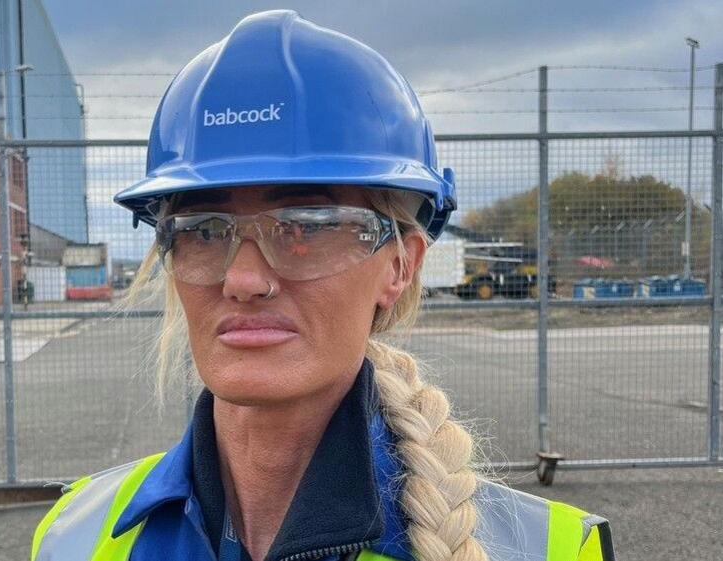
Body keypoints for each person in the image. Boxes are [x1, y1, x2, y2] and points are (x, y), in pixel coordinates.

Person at [31, 10, 614, 561]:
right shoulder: (77, 533)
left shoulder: (535, 547)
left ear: (400, 265)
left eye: (307, 227)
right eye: (205, 231)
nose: (244, 279)